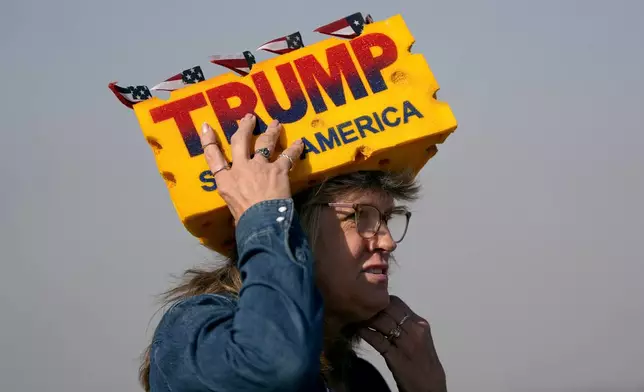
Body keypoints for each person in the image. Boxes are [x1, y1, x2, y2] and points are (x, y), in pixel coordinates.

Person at [139, 114, 447, 391]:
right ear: (296, 223)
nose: (387, 241)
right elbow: (273, 367)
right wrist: (263, 215)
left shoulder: (359, 379)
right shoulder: (196, 331)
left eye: (386, 219)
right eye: (358, 217)